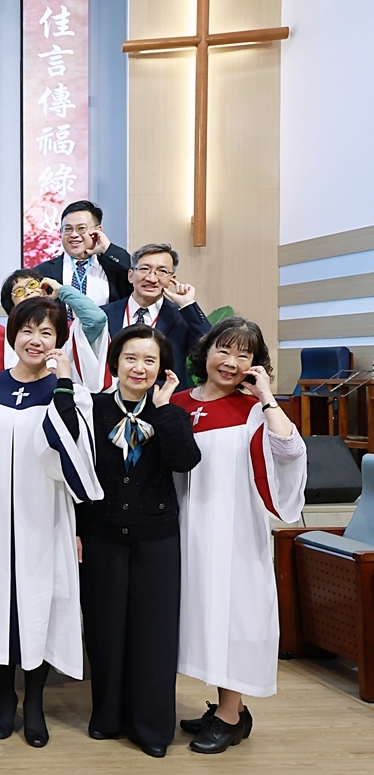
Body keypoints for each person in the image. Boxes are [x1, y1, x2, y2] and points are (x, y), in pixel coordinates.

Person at [0, 298, 101, 749]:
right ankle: (4, 698)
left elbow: (79, 460)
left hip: (46, 517)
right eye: (27, 330)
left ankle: (34, 701)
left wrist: (64, 384)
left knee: (39, 608)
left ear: (59, 340)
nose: (35, 340)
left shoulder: (70, 392)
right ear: (13, 334)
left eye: (46, 333)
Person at [170, 317, 307, 754]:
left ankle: (231, 715)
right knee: (202, 616)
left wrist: (266, 396)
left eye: (243, 355)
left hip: (233, 530)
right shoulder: (177, 402)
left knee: (232, 615)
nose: (230, 362)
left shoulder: (252, 410)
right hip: (185, 526)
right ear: (206, 351)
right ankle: (228, 709)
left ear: (254, 364)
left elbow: (289, 450)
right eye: (224, 350)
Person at [73, 325, 201, 758]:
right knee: (105, 630)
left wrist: (163, 410)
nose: (139, 368)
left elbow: (185, 461)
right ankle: (107, 716)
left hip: (156, 538)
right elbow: (76, 476)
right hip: (102, 535)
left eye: (150, 360)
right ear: (115, 363)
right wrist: (76, 530)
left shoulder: (170, 412)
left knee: (154, 634)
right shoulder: (92, 409)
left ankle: (151, 727)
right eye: (131, 358)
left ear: (162, 368)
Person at [103, 243, 211, 391]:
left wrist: (188, 305)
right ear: (130, 275)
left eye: (162, 271)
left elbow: (209, 348)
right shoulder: (105, 314)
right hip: (112, 399)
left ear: (171, 279)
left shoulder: (182, 316)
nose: (151, 278)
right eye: (144, 269)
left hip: (164, 399)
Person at [1, 269, 112, 391]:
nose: (28, 291)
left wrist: (61, 290)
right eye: (19, 291)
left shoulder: (68, 332)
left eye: (32, 284)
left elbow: (96, 319)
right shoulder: (1, 340)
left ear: (45, 291)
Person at [33, 200, 131, 306]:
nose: (74, 234)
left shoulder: (115, 268)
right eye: (68, 229)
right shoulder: (42, 272)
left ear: (98, 230)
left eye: (81, 228)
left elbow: (135, 273)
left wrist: (108, 248)